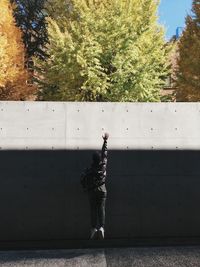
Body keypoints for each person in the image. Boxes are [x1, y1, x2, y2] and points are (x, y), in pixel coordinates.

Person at [81, 133, 109, 240]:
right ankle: (101, 228)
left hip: (92, 191)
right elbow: (104, 154)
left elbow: (82, 178)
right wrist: (105, 141)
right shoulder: (103, 166)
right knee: (101, 208)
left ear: (92, 160)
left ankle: (93, 229)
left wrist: (84, 187)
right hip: (102, 190)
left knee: (93, 209)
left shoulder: (89, 170)